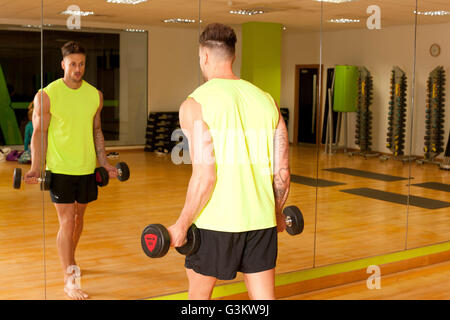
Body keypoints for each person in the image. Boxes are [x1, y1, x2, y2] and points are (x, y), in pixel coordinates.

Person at [167, 23, 290, 300]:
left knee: (199, 299)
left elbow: (205, 176)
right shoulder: (267, 101)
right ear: (233, 56)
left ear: (205, 57)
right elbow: (282, 171)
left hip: (215, 224)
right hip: (261, 222)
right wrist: (277, 213)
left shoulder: (194, 104)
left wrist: (181, 225)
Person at [24, 41, 118, 300]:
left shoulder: (94, 95)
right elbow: (39, 134)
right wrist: (35, 166)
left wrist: (104, 162)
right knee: (66, 221)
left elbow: (97, 131)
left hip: (86, 168)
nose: (78, 69)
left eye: (82, 64)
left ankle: (69, 259)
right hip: (61, 168)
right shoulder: (47, 94)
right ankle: (70, 278)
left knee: (78, 219)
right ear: (63, 64)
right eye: (73, 64)